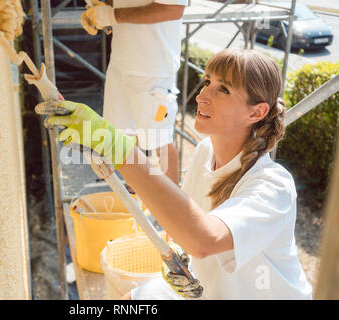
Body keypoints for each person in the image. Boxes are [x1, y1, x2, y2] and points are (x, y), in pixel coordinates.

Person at [41, 48, 313, 299]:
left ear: (256, 113)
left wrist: (117, 148)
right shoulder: (205, 152)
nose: (202, 96)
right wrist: (181, 254)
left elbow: (205, 240)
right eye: (207, 82)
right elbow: (184, 227)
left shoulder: (273, 186)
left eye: (223, 89)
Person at [80, 0, 188, 184]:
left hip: (153, 71)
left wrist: (112, 15)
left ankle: (170, 210)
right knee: (124, 137)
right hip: (121, 65)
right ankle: (137, 196)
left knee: (159, 140)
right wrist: (102, 9)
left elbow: (172, 9)